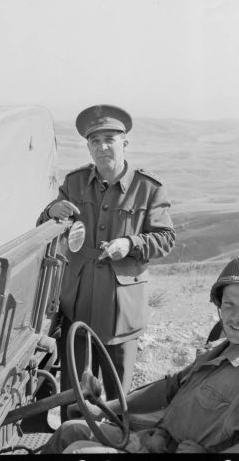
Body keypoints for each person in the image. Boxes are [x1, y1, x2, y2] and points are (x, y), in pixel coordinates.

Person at [41, 253, 239, 454]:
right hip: (154, 441)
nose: (235, 317)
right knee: (70, 430)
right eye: (229, 304)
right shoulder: (225, 348)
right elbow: (170, 387)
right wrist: (108, 408)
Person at [37, 104, 175, 417]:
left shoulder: (148, 188)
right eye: (95, 140)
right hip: (78, 307)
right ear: (88, 146)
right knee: (74, 398)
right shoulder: (74, 184)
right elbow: (45, 224)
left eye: (110, 138)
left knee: (117, 402)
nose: (102, 146)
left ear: (125, 143)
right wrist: (50, 213)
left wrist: (131, 243)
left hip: (120, 312)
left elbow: (166, 239)